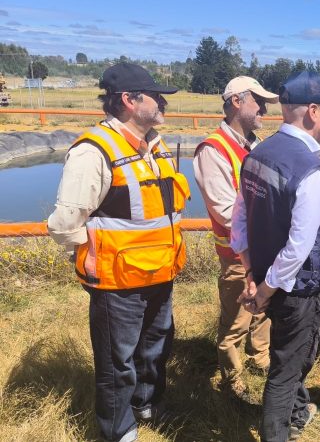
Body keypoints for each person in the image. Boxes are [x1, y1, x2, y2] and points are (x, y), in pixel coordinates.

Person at [46, 63, 188, 442]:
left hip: (160, 272)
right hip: (117, 281)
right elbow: (64, 223)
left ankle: (147, 405)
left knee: (155, 350)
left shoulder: (153, 145)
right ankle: (118, 431)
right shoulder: (94, 151)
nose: (162, 103)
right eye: (155, 96)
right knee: (116, 363)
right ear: (128, 100)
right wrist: (92, 255)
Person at [230, 70, 320, 442]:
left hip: (267, 276)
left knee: (289, 355)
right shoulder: (311, 170)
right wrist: (264, 289)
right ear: (312, 111)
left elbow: (239, 219)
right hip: (297, 288)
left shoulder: (258, 153)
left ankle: (296, 411)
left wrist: (252, 273)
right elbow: (300, 245)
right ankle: (278, 432)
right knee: (287, 367)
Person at [193, 76, 278, 402]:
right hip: (237, 255)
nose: (265, 109)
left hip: (264, 252)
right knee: (236, 320)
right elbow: (226, 211)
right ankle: (233, 382)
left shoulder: (255, 146)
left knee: (262, 311)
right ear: (236, 102)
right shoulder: (212, 150)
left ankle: (261, 358)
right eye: (259, 101)